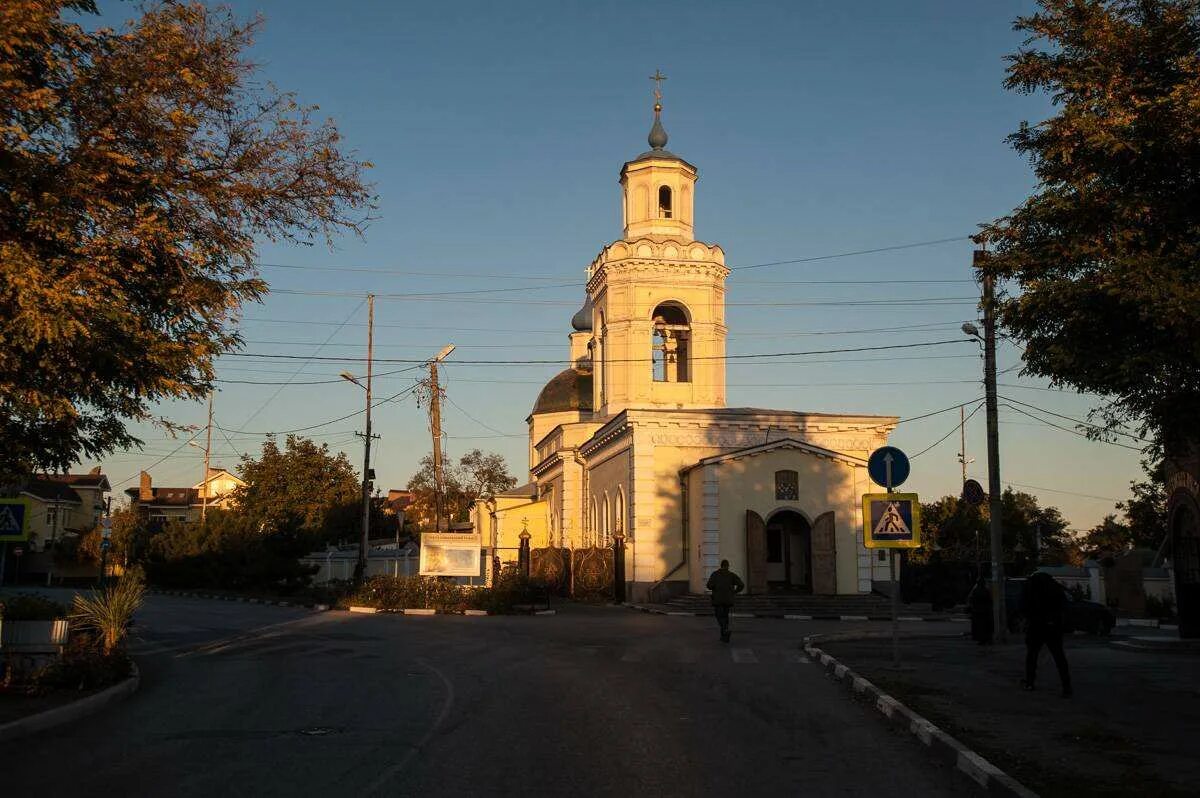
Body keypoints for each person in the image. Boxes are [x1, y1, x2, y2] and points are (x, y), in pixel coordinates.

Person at [1019, 571, 1072, 697]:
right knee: (1059, 657)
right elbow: (1064, 606)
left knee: (1032, 656)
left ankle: (1030, 682)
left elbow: (1023, 606)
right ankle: (1067, 687)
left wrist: (1028, 619)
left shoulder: (1031, 587)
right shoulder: (1054, 588)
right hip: (1053, 626)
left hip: (1036, 626)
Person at [706, 559, 745, 643]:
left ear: (721, 565)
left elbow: (709, 585)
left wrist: (714, 587)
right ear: (728, 566)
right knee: (725, 616)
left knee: (719, 616)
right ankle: (724, 636)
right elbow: (741, 585)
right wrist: (734, 592)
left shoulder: (715, 574)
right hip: (728, 600)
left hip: (718, 600)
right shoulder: (731, 575)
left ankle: (725, 630)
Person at [967, 576, 994, 644]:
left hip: (978, 611)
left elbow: (971, 599)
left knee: (979, 627)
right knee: (985, 626)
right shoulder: (985, 590)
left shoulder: (975, 590)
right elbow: (989, 600)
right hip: (984, 611)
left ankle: (982, 639)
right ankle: (986, 639)